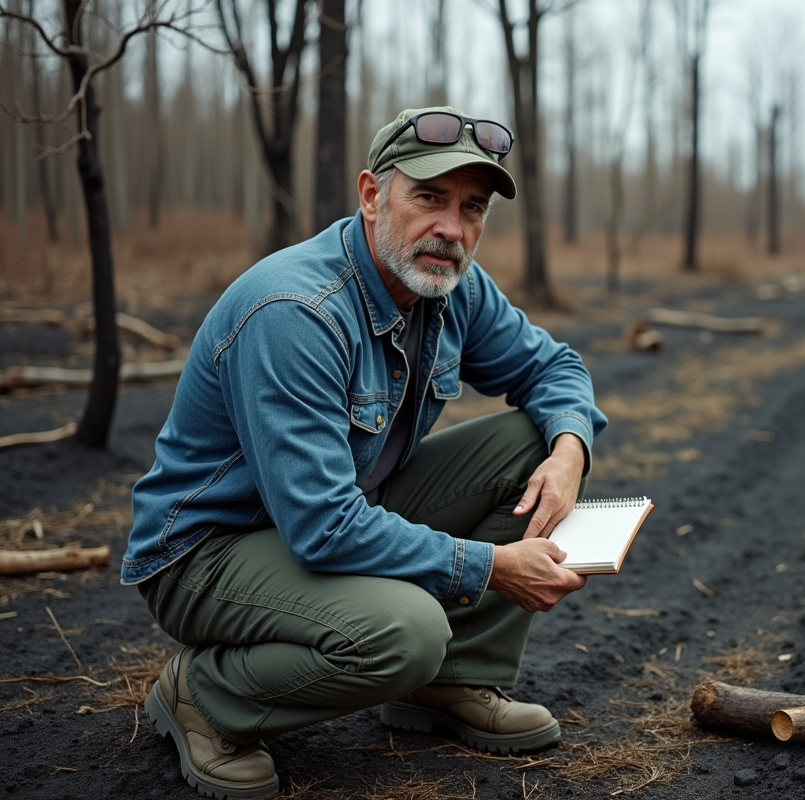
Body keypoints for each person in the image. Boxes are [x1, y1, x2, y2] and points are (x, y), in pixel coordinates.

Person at [121, 106, 608, 799]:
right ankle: (204, 695)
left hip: (335, 517)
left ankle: (451, 683)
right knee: (408, 633)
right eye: (430, 199)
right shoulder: (296, 311)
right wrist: (491, 567)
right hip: (209, 552)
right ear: (373, 195)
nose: (451, 228)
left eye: (472, 209)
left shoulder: (452, 284)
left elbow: (555, 369)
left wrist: (567, 454)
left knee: (538, 436)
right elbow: (321, 527)